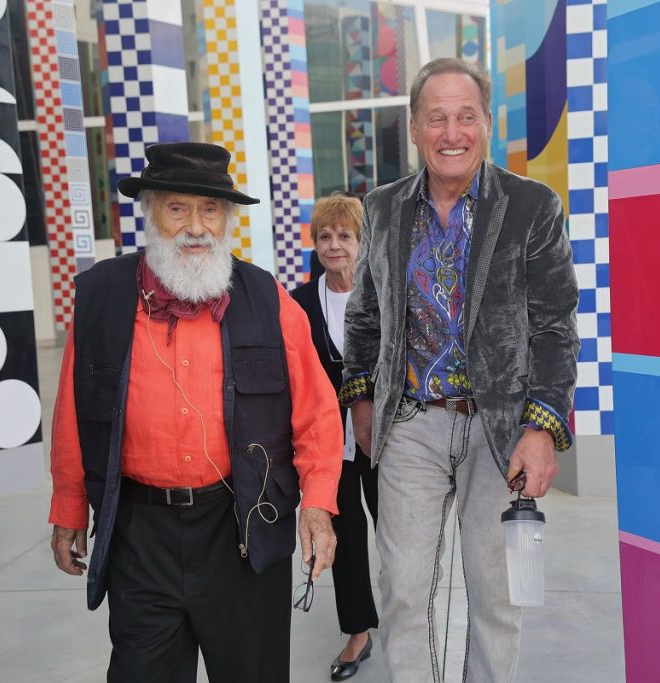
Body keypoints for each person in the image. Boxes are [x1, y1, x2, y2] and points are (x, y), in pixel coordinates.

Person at [48, 142, 342, 683]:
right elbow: (74, 412)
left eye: (210, 209)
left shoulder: (268, 298)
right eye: (177, 208)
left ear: (228, 218)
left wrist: (318, 505)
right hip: (140, 533)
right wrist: (68, 506)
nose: (196, 226)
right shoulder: (100, 298)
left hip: (244, 526)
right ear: (151, 213)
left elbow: (318, 415)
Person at [340, 58, 580, 682]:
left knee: (497, 599)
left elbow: (556, 328)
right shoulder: (383, 209)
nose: (453, 132)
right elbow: (363, 321)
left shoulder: (532, 207)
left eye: (466, 116)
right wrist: (364, 405)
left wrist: (543, 428)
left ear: (488, 124)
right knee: (402, 593)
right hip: (411, 427)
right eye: (438, 118)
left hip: (499, 433)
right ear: (416, 129)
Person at [291, 194, 378, 681]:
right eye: (325, 236)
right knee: (345, 536)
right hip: (329, 442)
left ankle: (409, 614)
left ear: (361, 242)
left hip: (386, 435)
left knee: (399, 530)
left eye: (344, 235)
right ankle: (359, 630)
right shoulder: (300, 302)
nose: (334, 245)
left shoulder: (383, 291)